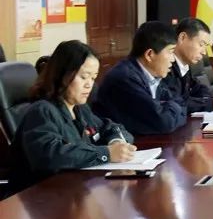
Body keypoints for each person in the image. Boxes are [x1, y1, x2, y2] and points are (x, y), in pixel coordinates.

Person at [10, 40, 135, 190]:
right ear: (63, 74)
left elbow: (110, 127)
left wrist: (116, 142)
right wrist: (106, 153)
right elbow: (50, 155)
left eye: (93, 78)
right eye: (84, 77)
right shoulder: (42, 110)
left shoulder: (79, 109)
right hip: (38, 195)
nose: (89, 84)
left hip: (72, 189)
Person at [93, 21, 187, 135]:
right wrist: (171, 108)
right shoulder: (124, 78)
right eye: (170, 52)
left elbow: (182, 105)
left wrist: (169, 108)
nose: (173, 59)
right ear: (149, 54)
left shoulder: (152, 75)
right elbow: (164, 122)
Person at [163, 18, 213, 114]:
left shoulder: (184, 65)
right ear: (182, 37)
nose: (204, 52)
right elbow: (175, 103)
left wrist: (212, 99)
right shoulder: (165, 67)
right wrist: (210, 104)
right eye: (201, 44)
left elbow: (198, 88)